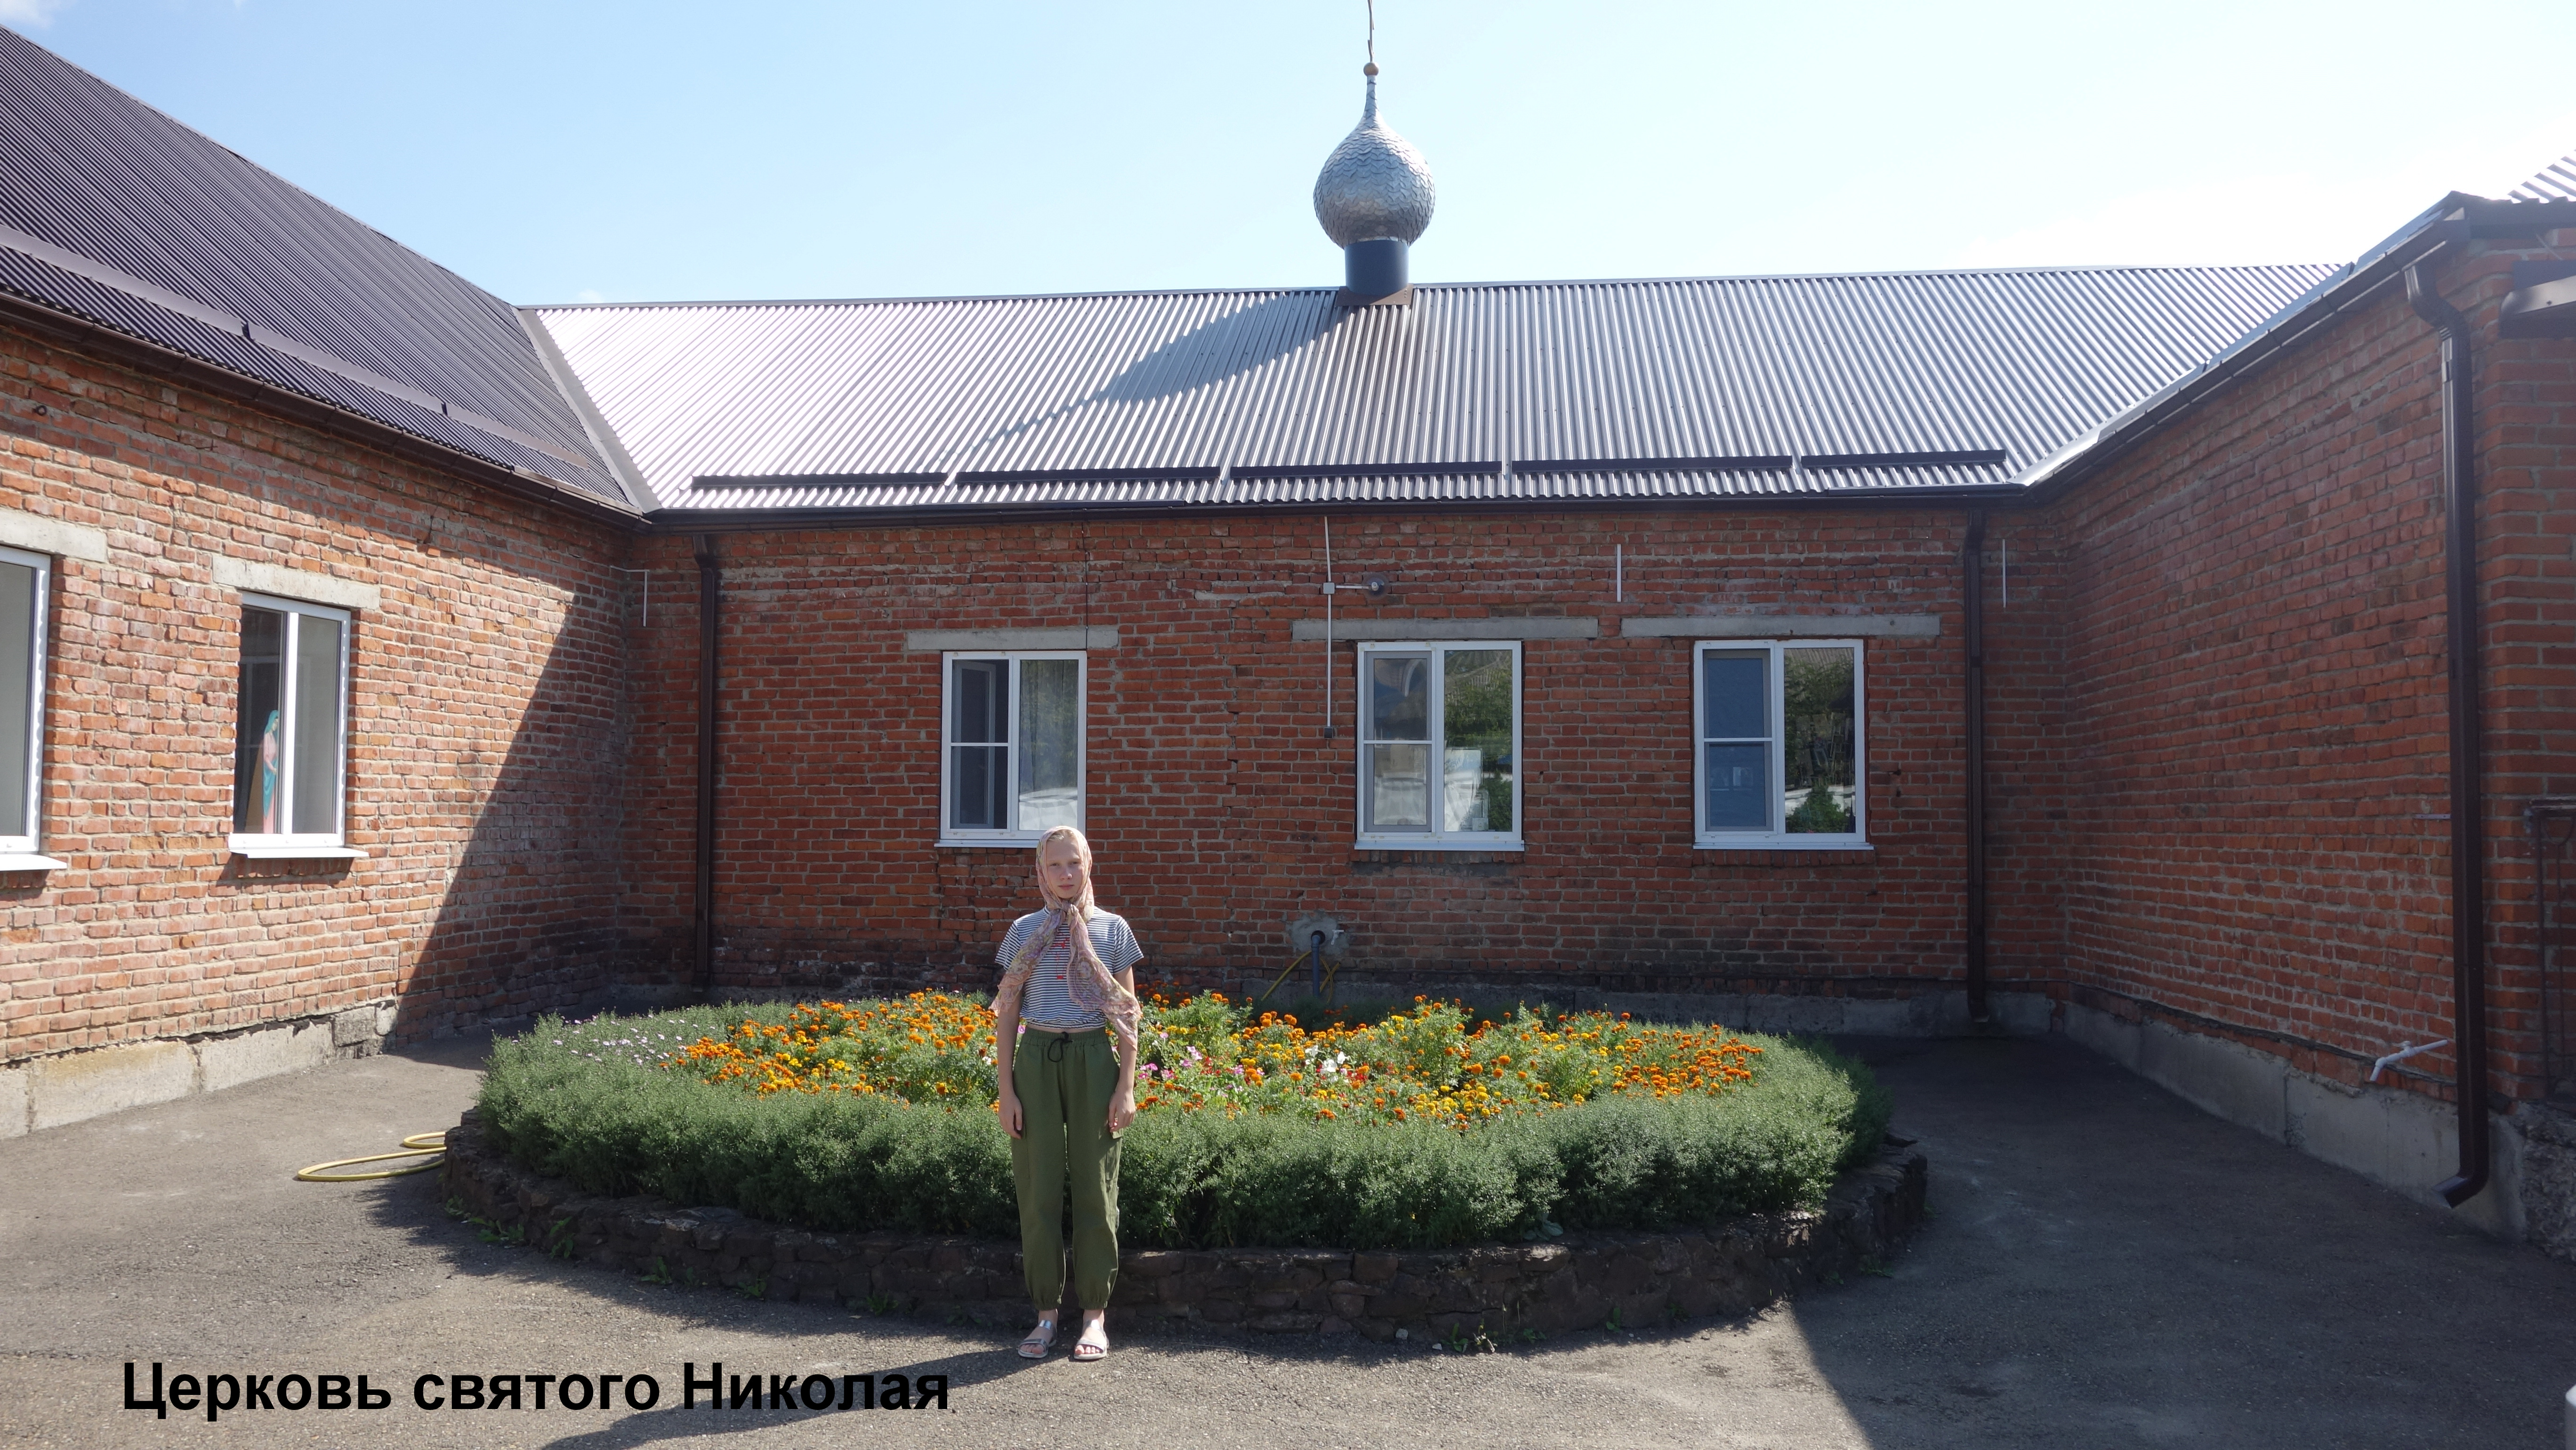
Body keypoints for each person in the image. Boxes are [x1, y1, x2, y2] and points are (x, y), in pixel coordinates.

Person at [992, 825, 1143, 1362]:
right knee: (1039, 1192)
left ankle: (1095, 1315)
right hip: (1035, 1063)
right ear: (1040, 871)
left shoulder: (1113, 929)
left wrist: (1125, 1087)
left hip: (1092, 1060)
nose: (1065, 874)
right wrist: (1007, 1088)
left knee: (1096, 1193)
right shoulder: (1023, 931)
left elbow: (1127, 1015)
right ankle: (1046, 1314)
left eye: (1073, 863)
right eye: (1054, 865)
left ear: (1089, 863)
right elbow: (1007, 1013)